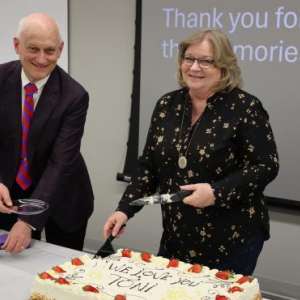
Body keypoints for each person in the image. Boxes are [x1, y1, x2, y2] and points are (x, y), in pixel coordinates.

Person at [104, 29, 279, 275]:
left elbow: (266, 166)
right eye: (189, 58)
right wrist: (125, 209)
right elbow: (148, 167)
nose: (194, 67)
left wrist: (216, 192)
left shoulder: (245, 108)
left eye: (206, 61)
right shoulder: (167, 105)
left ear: (224, 66)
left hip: (232, 236)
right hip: (178, 233)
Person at [0, 13, 94, 253]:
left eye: (50, 51)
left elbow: (60, 163)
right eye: (33, 48)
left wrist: (28, 220)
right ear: (16, 45)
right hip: (9, 194)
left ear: (60, 49)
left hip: (62, 197)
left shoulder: (74, 96)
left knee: (59, 272)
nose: (42, 59)